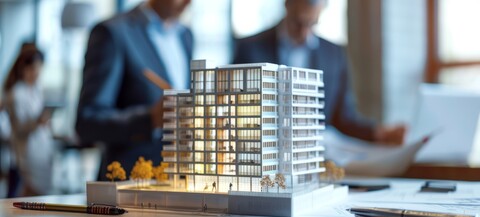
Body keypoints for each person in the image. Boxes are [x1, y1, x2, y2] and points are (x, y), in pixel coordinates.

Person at [233, 0, 405, 145]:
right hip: (265, 148)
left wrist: (378, 133)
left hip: (318, 151)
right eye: (298, 23)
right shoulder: (250, 49)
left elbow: (343, 117)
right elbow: (234, 108)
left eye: (312, 23)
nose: (304, 32)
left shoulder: (334, 54)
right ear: (287, 5)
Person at [76, 0, 193, 180]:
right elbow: (87, 121)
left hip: (176, 183)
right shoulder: (113, 32)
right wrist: (150, 119)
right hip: (129, 185)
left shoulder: (186, 36)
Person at [3, 43, 54, 196]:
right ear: (23, 69)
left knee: (36, 193)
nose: (37, 73)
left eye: (39, 68)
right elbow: (18, 128)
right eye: (33, 68)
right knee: (32, 192)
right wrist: (37, 122)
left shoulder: (35, 89)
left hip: (41, 147)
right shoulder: (16, 93)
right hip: (27, 151)